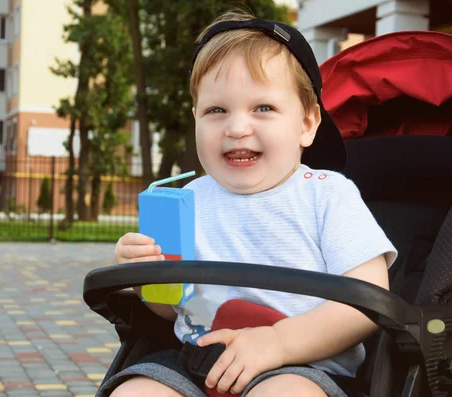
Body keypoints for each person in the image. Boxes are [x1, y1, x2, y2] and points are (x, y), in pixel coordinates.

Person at [106, 9, 397, 397]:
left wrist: (278, 342)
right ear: (195, 118)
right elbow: (174, 308)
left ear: (308, 124)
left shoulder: (328, 196)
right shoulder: (186, 200)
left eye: (263, 108)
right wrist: (145, 281)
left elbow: (367, 301)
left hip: (301, 365)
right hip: (195, 361)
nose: (237, 127)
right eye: (216, 110)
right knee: (135, 393)